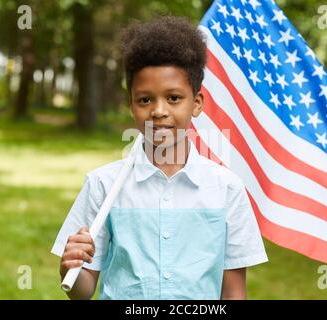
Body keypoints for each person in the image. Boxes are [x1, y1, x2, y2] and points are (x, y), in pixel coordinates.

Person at [51, 16, 268, 300]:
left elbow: (234, 292)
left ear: (197, 103)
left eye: (174, 98)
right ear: (131, 105)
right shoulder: (103, 185)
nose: (159, 111)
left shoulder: (227, 190)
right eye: (145, 100)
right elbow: (82, 291)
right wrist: (71, 265)